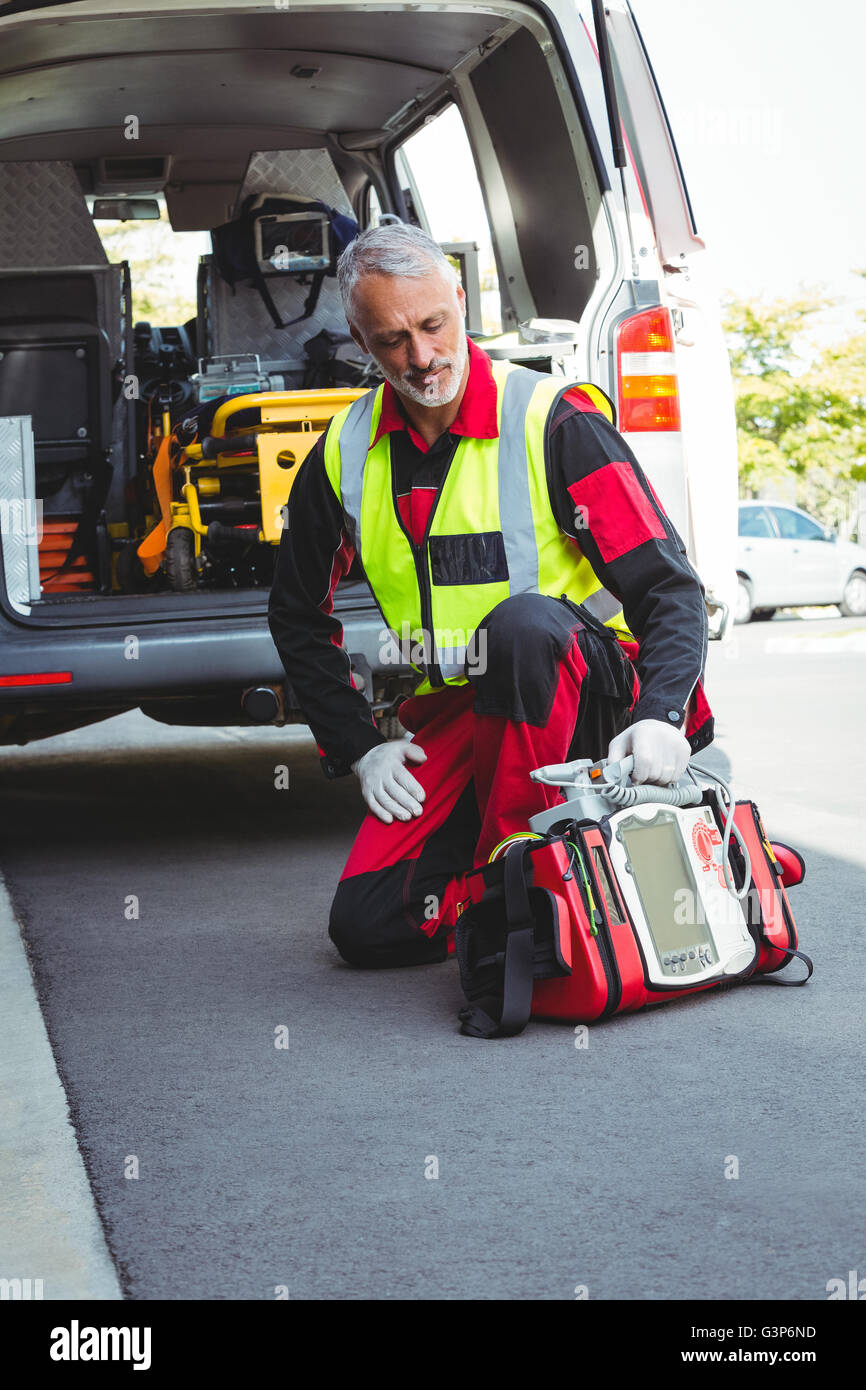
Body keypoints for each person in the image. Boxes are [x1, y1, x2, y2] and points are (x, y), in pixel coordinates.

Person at [267, 223, 713, 969]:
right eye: (391, 339)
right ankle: (507, 879)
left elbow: (669, 586)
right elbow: (294, 614)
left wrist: (662, 715)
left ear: (460, 299)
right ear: (359, 339)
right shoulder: (343, 453)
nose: (421, 356)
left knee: (524, 624)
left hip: (594, 707)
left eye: (433, 325)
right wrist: (361, 748)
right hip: (469, 713)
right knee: (371, 928)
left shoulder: (554, 419)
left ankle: (517, 892)